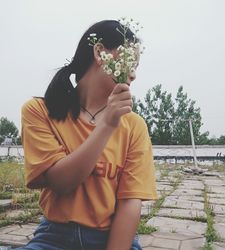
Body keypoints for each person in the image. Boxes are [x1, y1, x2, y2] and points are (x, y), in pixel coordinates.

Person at [17, 19, 157, 250]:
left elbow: (131, 202)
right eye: (129, 62)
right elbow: (61, 183)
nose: (133, 75)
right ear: (100, 52)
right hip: (54, 237)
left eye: (136, 67)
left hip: (113, 238)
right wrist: (107, 125)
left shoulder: (134, 126)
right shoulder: (39, 111)